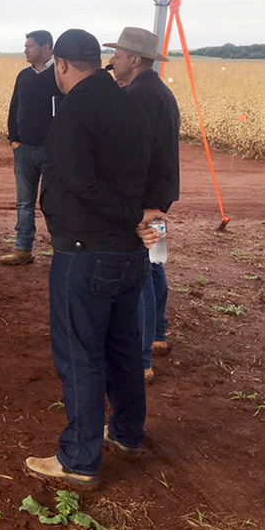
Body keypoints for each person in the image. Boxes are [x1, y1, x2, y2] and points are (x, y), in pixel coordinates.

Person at [25, 29, 165, 489]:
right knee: (124, 349)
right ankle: (126, 433)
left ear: (62, 65)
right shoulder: (132, 103)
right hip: (129, 255)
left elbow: (81, 182)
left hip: (85, 254)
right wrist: (146, 217)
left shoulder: (76, 109)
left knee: (80, 354)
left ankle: (79, 459)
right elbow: (158, 169)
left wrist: (131, 215)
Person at [106, 27, 181, 382]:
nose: (113, 60)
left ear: (135, 60)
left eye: (118, 55)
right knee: (154, 263)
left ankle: (142, 359)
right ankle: (158, 334)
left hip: (144, 198)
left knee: (142, 274)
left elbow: (133, 154)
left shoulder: (136, 96)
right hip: (159, 193)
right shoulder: (160, 92)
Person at [0, 30, 62, 266]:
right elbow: (14, 107)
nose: (26, 50)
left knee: (54, 201)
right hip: (24, 149)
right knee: (24, 202)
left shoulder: (59, 75)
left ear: (47, 48)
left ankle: (61, 251)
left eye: (30, 46)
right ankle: (22, 248)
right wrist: (14, 139)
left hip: (51, 151)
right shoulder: (23, 76)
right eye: (25, 46)